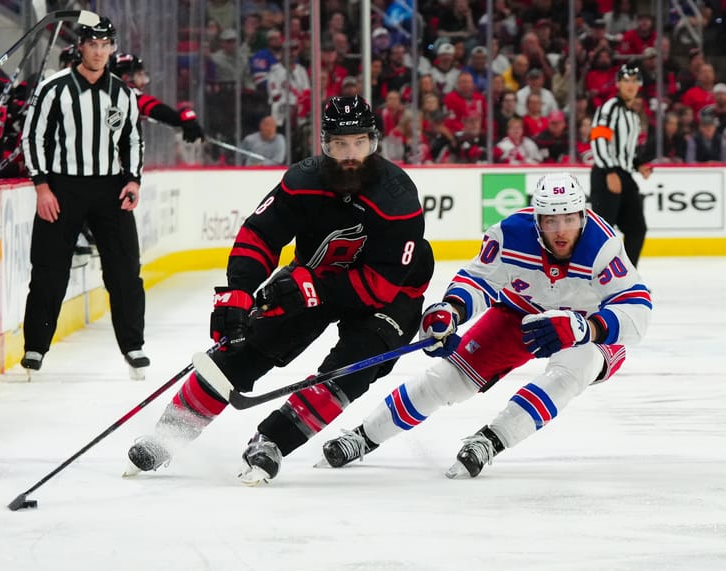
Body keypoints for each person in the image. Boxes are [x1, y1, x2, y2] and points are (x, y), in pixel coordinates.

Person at [126, 95, 435, 484]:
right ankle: (169, 434)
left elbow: (381, 286)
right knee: (244, 344)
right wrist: (238, 292)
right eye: (341, 144)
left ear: (374, 142)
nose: (351, 154)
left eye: (360, 143)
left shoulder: (398, 197)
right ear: (324, 144)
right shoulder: (302, 180)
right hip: (314, 277)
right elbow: (260, 234)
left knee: (351, 369)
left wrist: (312, 286)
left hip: (393, 297)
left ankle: (273, 440)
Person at [321, 173, 653, 479]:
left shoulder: (602, 246)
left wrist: (588, 329)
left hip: (586, 325)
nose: (562, 231)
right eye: (552, 221)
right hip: (519, 313)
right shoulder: (511, 234)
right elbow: (478, 280)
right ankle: (365, 436)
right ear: (537, 221)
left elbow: (637, 309)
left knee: (570, 374)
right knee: (449, 378)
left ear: (582, 216)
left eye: (569, 219)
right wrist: (451, 310)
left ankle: (491, 441)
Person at [19, 18, 149, 378]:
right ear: (81, 47)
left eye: (105, 44)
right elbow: (33, 137)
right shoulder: (54, 88)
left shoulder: (123, 93)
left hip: (110, 189)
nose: (98, 51)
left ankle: (133, 345)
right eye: (92, 44)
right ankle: (35, 347)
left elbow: (132, 140)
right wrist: (42, 186)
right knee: (49, 270)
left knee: (125, 271)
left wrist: (133, 180)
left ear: (112, 48)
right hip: (62, 188)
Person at [589, 62, 652, 268]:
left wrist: (638, 164)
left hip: (624, 174)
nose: (630, 85)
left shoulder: (632, 116)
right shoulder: (610, 108)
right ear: (618, 83)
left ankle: (627, 278)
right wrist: (609, 171)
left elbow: (626, 150)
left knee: (637, 228)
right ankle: (592, 277)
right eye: (626, 81)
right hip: (606, 173)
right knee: (603, 232)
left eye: (634, 81)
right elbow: (598, 139)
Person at [109, 52, 204, 142]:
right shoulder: (128, 97)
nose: (143, 80)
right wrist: (184, 117)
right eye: (139, 74)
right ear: (126, 78)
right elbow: (155, 109)